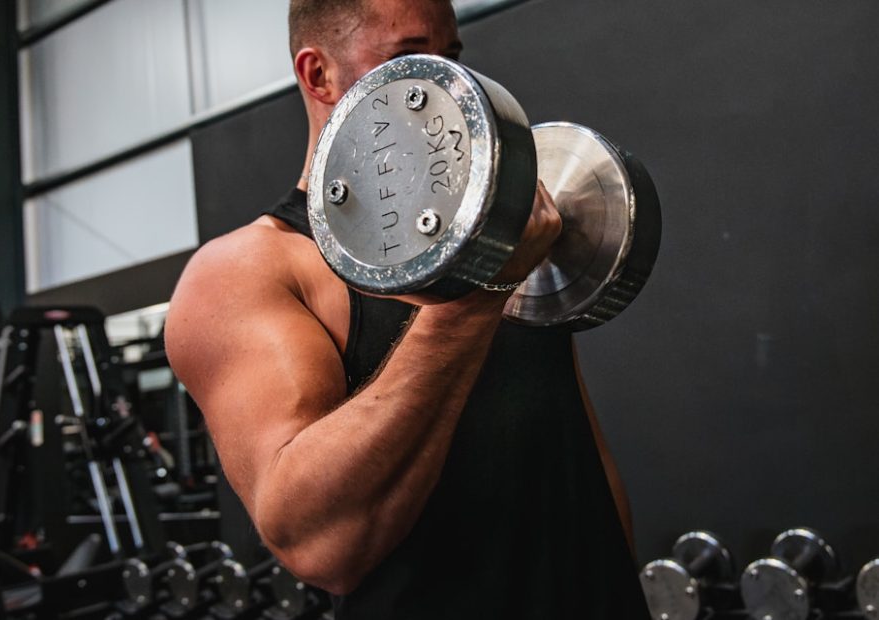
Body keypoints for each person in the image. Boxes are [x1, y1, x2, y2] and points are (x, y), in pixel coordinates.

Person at [165, 0, 649, 617]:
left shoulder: (502, 236)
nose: (449, 87)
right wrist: (475, 296)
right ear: (319, 76)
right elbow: (320, 546)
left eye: (450, 59)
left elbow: (585, 457)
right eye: (411, 58)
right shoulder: (247, 273)